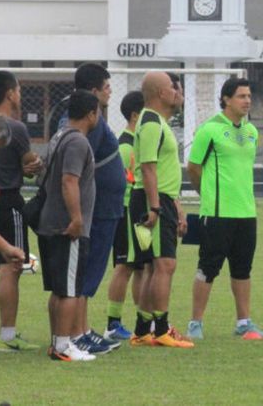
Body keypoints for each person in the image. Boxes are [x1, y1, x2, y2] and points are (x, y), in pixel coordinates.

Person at [186, 78, 263, 340]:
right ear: (226, 99)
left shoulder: (251, 131)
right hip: (217, 213)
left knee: (243, 270)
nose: (247, 101)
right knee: (207, 268)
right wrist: (206, 195)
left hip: (246, 213)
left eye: (249, 96)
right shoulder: (209, 130)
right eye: (242, 96)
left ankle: (244, 322)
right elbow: (194, 168)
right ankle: (195, 323)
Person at [59, 64, 127, 354]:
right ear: (93, 90)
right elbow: (76, 167)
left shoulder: (94, 119)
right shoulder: (87, 123)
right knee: (85, 273)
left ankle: (83, 328)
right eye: (107, 86)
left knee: (93, 270)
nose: (110, 91)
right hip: (95, 209)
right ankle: (76, 332)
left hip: (106, 207)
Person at [0, 71, 42, 352]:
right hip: (7, 201)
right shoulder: (16, 128)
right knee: (11, 267)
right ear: (12, 93)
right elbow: (30, 164)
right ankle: (8, 335)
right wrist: (34, 165)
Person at [129, 71, 192, 348]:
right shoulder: (152, 121)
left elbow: (161, 170)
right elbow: (148, 167)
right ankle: (161, 329)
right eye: (172, 87)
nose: (177, 92)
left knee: (154, 267)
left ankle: (143, 329)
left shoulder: (158, 121)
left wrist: (174, 205)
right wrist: (155, 207)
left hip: (161, 198)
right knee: (165, 264)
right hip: (152, 200)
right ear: (160, 93)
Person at [38, 90, 100, 361]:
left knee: (59, 289)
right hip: (67, 225)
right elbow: (69, 180)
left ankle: (57, 342)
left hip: (50, 222)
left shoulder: (59, 136)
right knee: (70, 290)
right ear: (91, 114)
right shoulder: (78, 142)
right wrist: (77, 218)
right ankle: (63, 346)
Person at [104, 91, 146, 341]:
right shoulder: (125, 145)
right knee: (125, 266)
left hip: (138, 211)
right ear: (134, 115)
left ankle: (145, 321)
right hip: (126, 210)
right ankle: (113, 323)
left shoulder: (138, 142)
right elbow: (121, 182)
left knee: (141, 267)